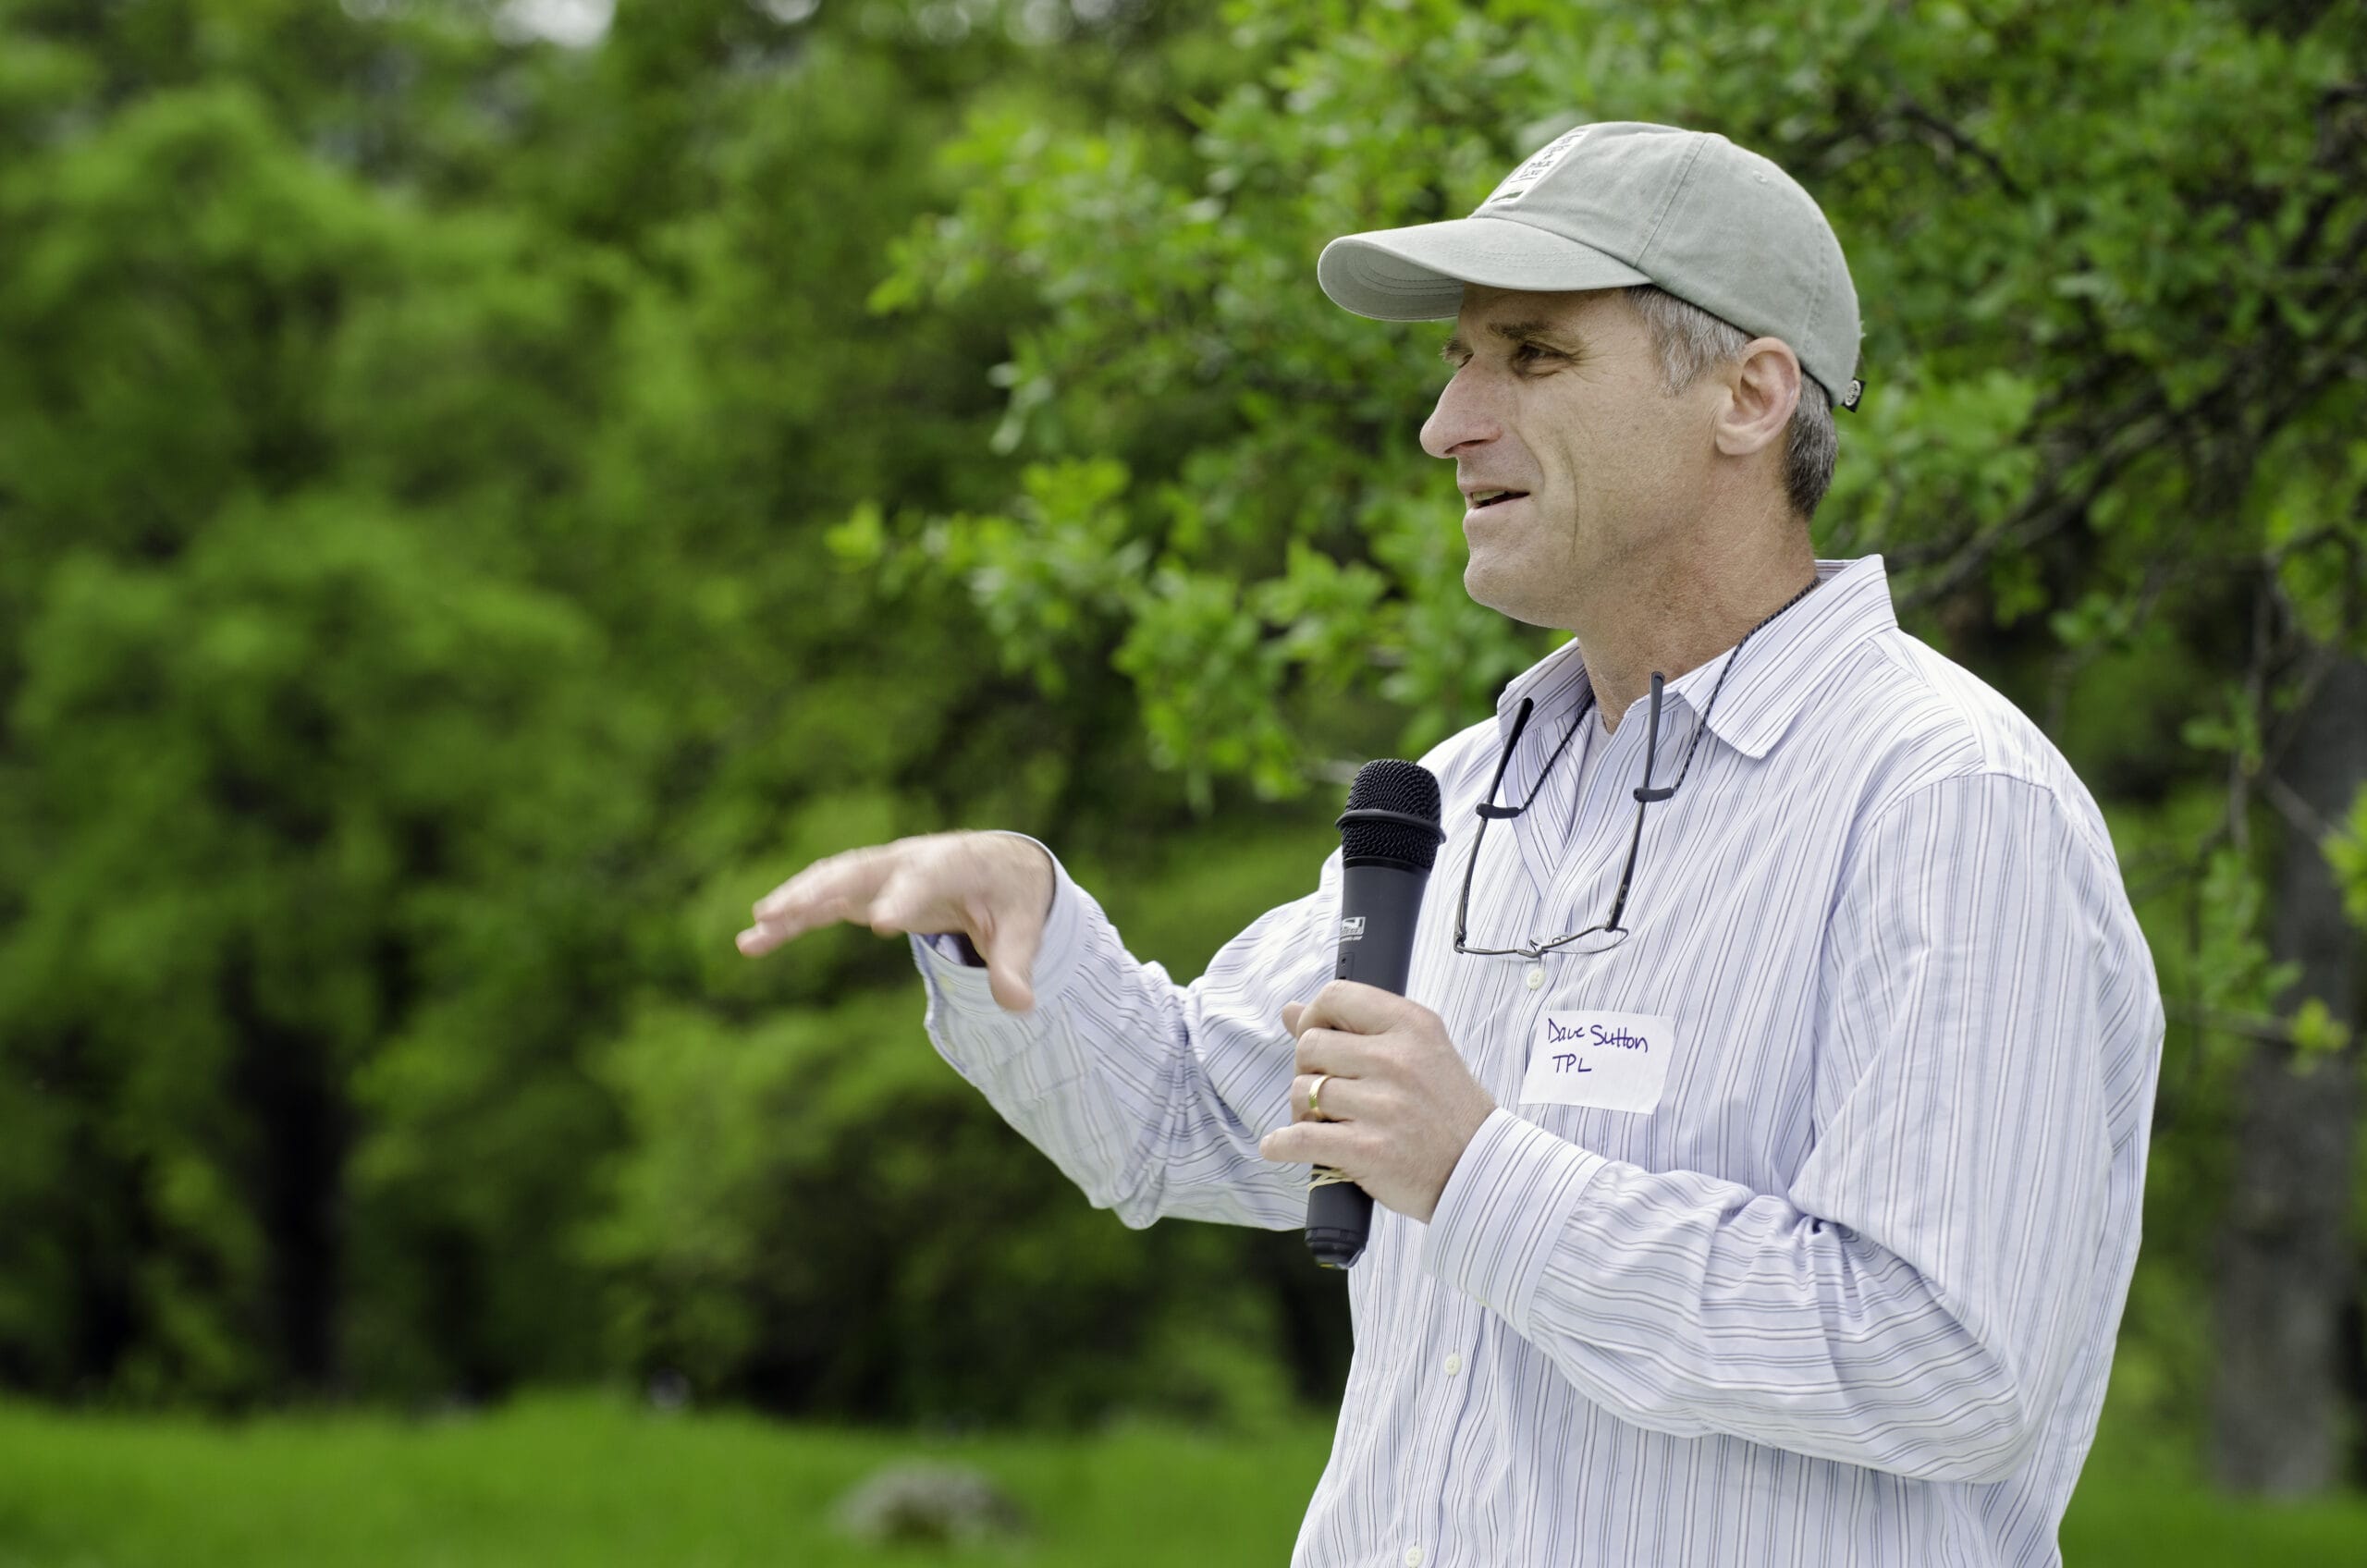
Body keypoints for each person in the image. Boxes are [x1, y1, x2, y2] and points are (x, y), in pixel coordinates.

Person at [739, 121, 2165, 1568]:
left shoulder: (1949, 801)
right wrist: (1011, 917)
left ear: (1749, 395)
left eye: (1533, 358)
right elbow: (1183, 1115)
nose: (1449, 425)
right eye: (1456, 362)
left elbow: (1946, 1356)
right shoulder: (1470, 793)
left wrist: (1480, 1176)